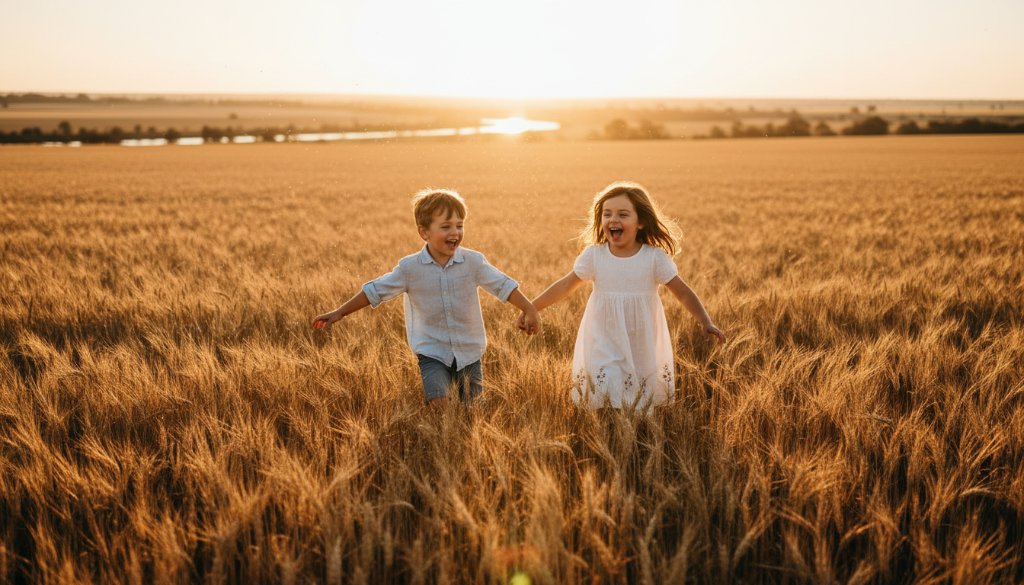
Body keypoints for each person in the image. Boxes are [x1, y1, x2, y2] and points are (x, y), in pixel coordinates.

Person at [313, 188, 541, 407]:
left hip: (469, 353)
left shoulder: (473, 262)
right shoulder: (410, 268)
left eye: (459, 226)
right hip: (432, 353)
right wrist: (339, 312)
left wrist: (529, 308)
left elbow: (503, 285)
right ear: (424, 232)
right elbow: (375, 291)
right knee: (439, 404)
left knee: (473, 410)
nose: (455, 233)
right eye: (446, 226)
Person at [521, 181, 725, 409]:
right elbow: (565, 285)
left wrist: (705, 321)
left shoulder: (653, 258)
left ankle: (632, 439)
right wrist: (532, 307)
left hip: (640, 340)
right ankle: (608, 433)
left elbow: (684, 293)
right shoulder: (595, 256)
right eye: (607, 214)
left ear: (641, 222)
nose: (613, 219)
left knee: (638, 398)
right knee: (606, 388)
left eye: (623, 214)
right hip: (604, 338)